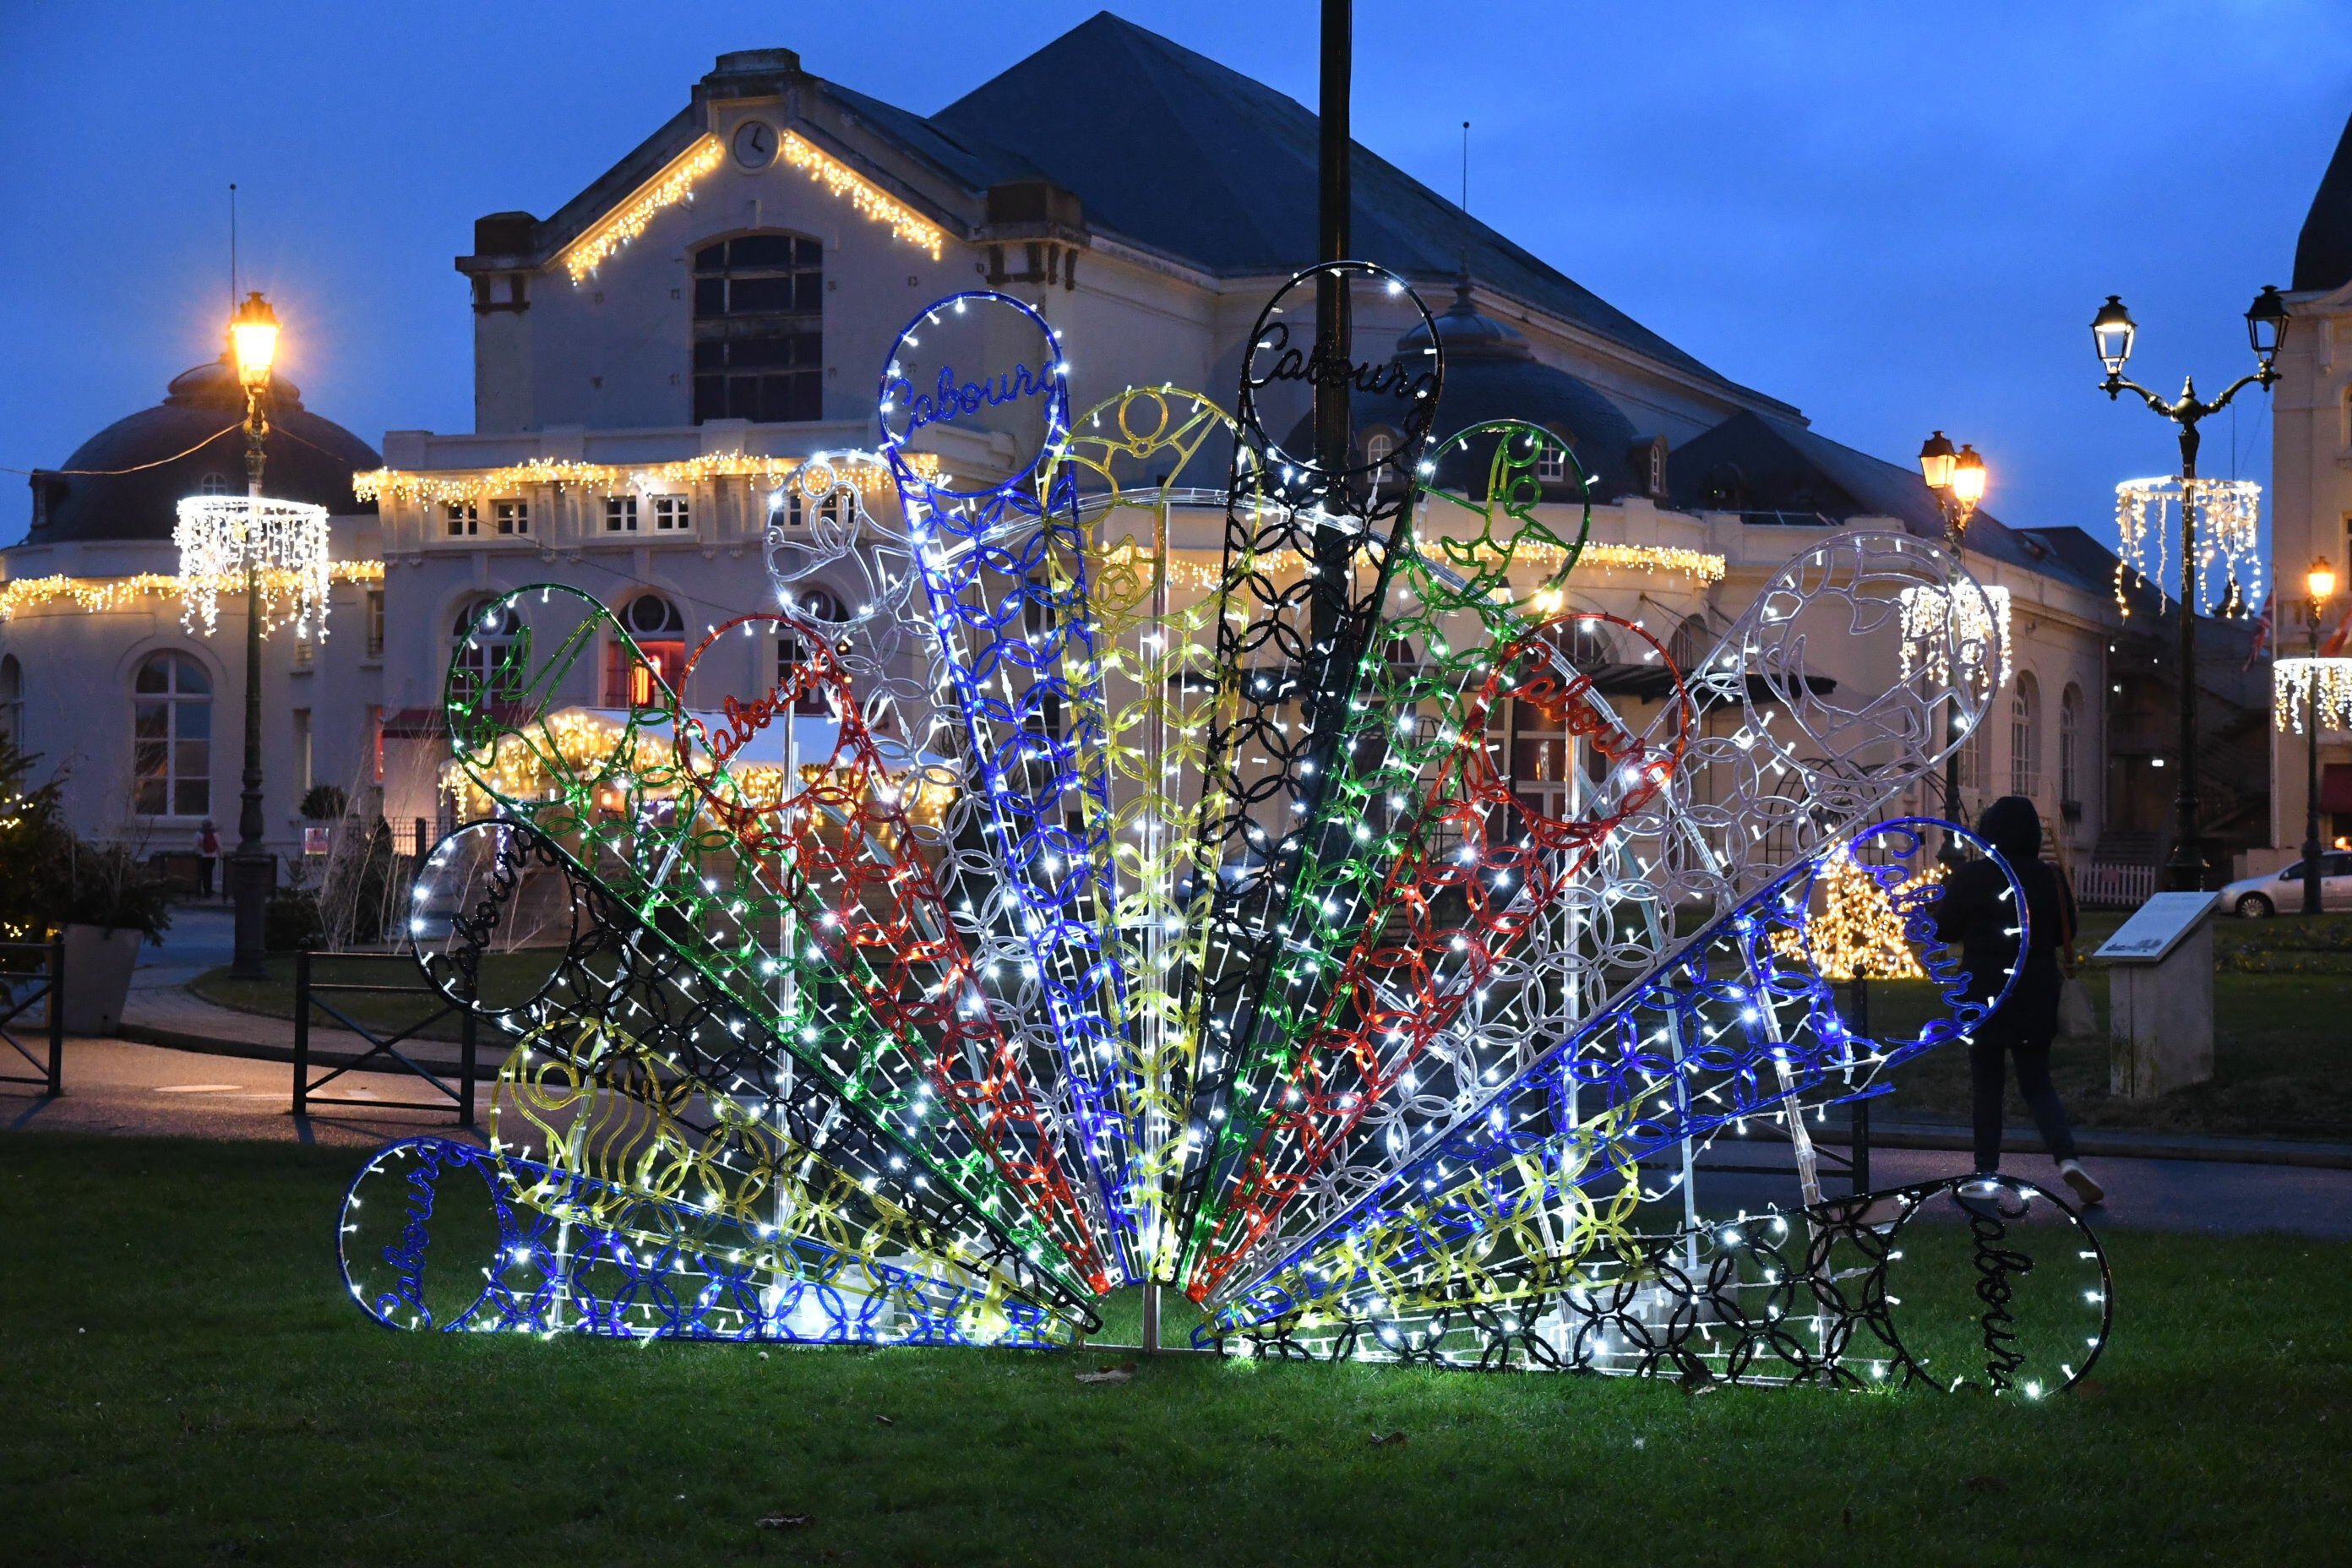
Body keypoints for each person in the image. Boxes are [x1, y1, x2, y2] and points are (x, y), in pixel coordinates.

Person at [1930, 794, 2104, 1207]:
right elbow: (2070, 930)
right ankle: (2067, 1159)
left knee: (1987, 1083)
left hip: (1984, 992)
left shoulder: (1974, 876)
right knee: (2037, 1082)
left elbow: (1945, 930)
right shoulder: (2050, 878)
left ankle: (1986, 1171)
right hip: (2037, 988)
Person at [196, 819, 220, 900]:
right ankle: (209, 890)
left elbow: (196, 846)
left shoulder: (199, 833)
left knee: (204, 874)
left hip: (203, 856)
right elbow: (219, 845)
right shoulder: (215, 833)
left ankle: (206, 891)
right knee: (209, 873)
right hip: (213, 856)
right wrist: (221, 854)